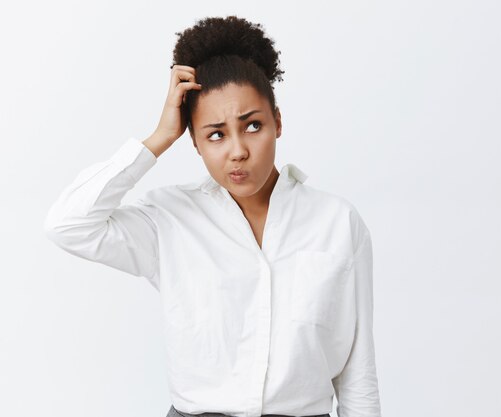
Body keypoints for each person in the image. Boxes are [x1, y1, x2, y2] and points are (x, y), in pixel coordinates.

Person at [44, 15, 382, 417]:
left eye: (252, 125)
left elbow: (357, 372)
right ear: (196, 143)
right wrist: (158, 138)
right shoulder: (169, 219)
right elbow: (68, 225)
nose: (237, 151)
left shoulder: (337, 223)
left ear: (277, 121)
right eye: (216, 134)